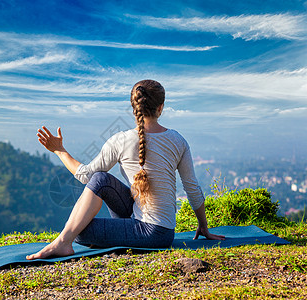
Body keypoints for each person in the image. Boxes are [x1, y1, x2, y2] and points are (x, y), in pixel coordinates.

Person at [26, 79, 225, 260]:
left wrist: (60, 151)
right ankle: (66, 240)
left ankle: (63, 242)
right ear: (161, 107)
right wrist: (204, 227)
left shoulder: (120, 140)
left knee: (78, 230)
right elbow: (192, 188)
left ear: (134, 108)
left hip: (151, 233)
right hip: (164, 231)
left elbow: (84, 175)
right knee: (101, 179)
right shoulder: (178, 140)